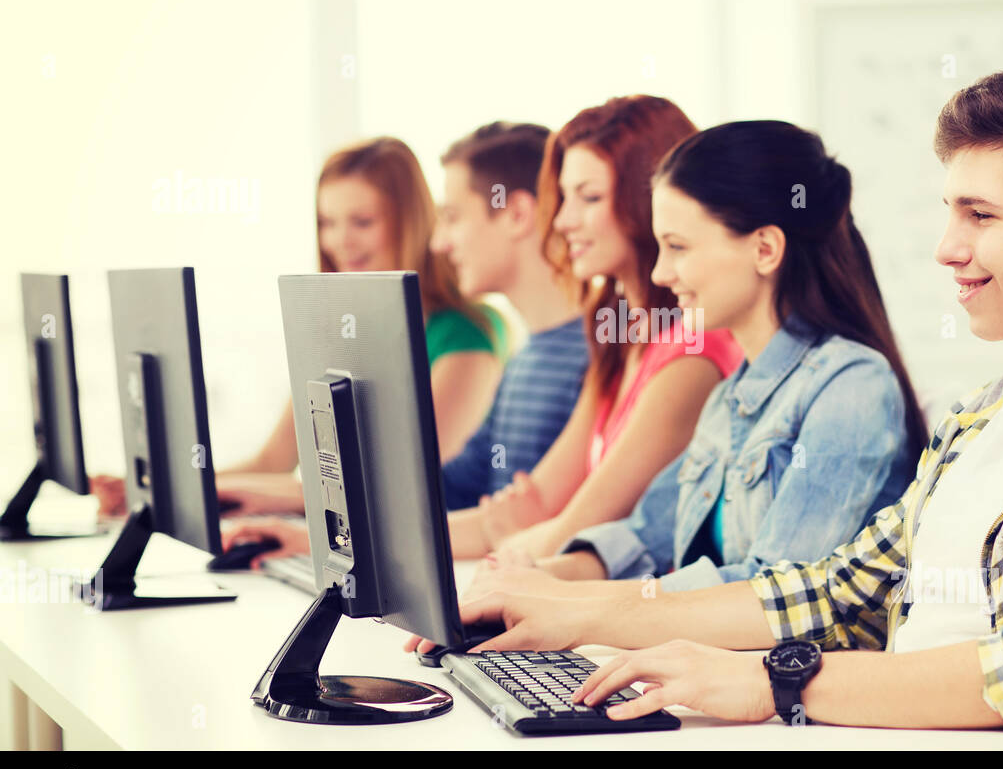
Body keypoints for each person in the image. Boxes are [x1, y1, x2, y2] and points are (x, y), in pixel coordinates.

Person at [431, 59, 1003, 752]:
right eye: (950, 212)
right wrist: (578, 609)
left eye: (980, 214)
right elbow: (833, 587)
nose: (947, 248)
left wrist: (776, 681)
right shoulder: (985, 415)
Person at [469, 120, 925, 598]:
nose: (662, 273)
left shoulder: (851, 386)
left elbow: (775, 592)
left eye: (678, 247)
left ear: (765, 249)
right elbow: (644, 538)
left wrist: (562, 599)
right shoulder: (730, 397)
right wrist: (533, 578)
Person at [225, 122, 590, 563]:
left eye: (451, 218)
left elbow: (545, 525)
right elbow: (448, 488)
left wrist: (306, 520)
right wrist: (312, 536)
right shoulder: (530, 356)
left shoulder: (595, 356)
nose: (438, 241)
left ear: (515, 215)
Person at [91, 136, 507, 518]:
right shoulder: (341, 334)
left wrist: (185, 496)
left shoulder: (465, 335)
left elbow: (408, 485)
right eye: (327, 222)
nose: (340, 240)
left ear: (411, 222)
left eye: (362, 222)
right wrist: (154, 490)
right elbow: (274, 462)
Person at [448, 96, 744, 561]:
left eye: (589, 197)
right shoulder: (617, 341)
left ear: (653, 200)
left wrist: (514, 541)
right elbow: (532, 510)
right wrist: (360, 551)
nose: (563, 220)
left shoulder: (694, 350)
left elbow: (571, 532)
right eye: (564, 197)